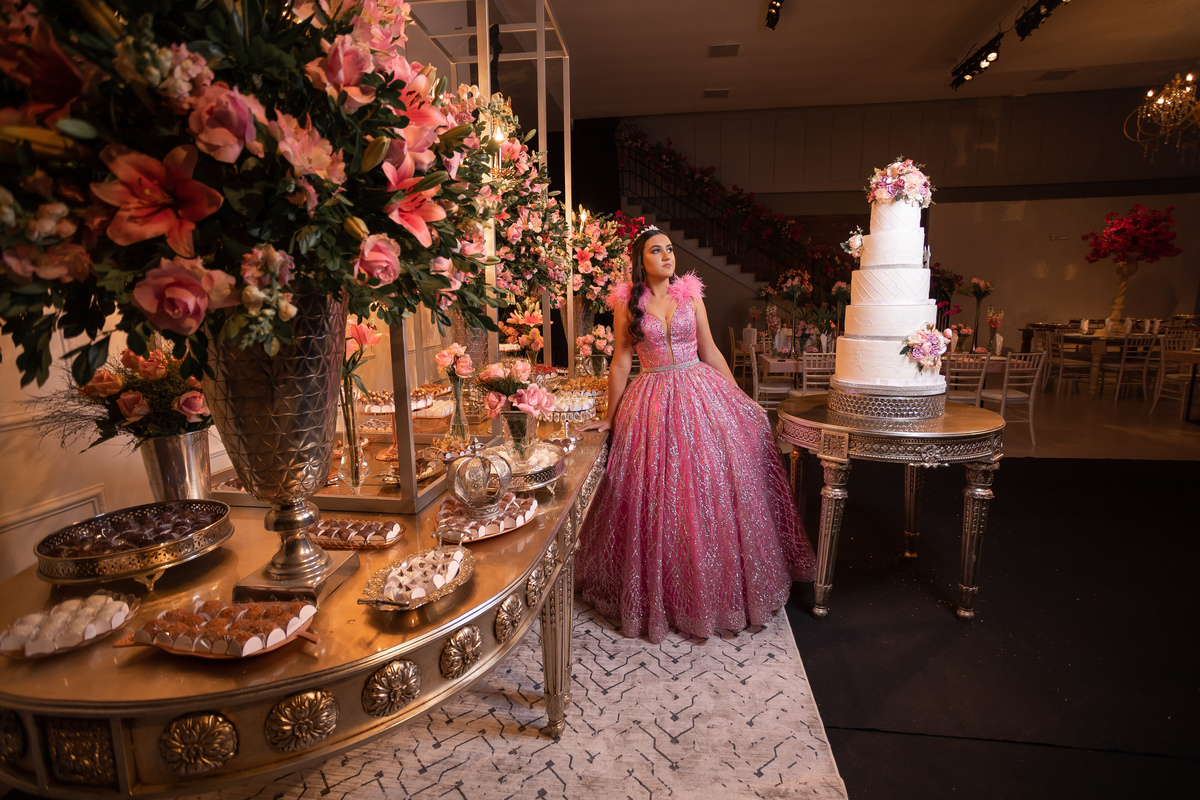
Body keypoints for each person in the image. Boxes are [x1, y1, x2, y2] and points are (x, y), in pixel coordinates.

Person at [575, 227, 815, 643]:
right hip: (649, 400)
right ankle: (663, 592)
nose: (667, 256)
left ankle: (715, 589)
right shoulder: (627, 303)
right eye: (656, 250)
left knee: (708, 487)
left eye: (670, 249)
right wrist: (610, 417)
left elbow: (711, 351)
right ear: (641, 260)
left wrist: (742, 399)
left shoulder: (691, 294)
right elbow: (620, 363)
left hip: (699, 393)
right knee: (658, 495)